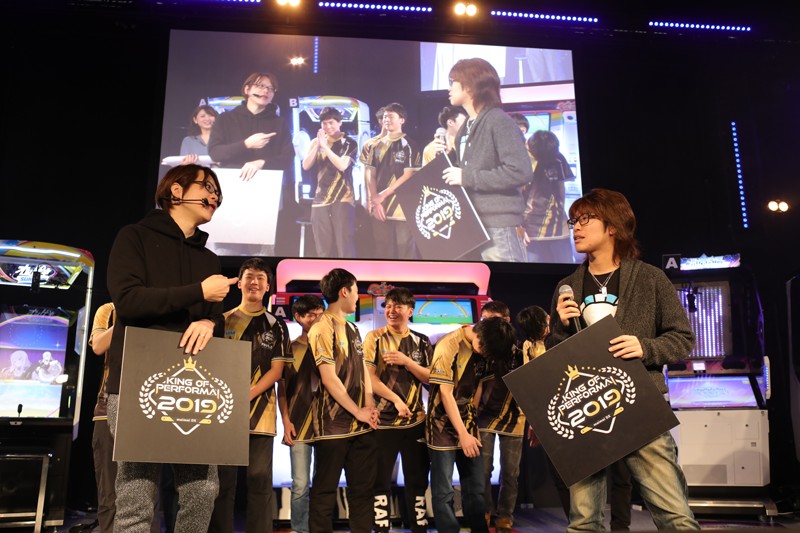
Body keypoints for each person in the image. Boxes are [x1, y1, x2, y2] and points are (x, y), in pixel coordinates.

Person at [546, 187, 700, 532]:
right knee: (583, 521)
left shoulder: (649, 278)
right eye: (573, 221)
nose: (576, 227)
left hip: (639, 404)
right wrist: (559, 328)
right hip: (587, 407)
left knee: (675, 516)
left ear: (613, 226)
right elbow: (557, 357)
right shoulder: (567, 285)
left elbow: (683, 339)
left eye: (586, 219)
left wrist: (645, 347)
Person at [105, 163, 237, 533]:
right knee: (136, 492)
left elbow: (216, 318)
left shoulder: (208, 260)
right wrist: (199, 292)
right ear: (176, 191)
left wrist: (210, 322)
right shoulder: (134, 237)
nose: (214, 196)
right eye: (207, 187)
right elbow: (128, 300)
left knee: (203, 489)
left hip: (193, 386)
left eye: (217, 191)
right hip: (137, 383)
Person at [208, 258, 292, 533]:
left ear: (268, 287)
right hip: (224, 414)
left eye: (260, 278)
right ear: (239, 283)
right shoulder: (221, 320)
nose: (254, 282)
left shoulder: (277, 325)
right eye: (249, 277)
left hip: (262, 415)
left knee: (259, 479)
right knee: (223, 482)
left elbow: (278, 370)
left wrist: (249, 393)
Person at [426, 315, 517, 533]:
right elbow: (445, 394)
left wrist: (471, 421)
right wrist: (463, 434)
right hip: (441, 426)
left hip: (468, 424)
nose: (485, 355)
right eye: (484, 349)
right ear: (479, 336)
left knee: (476, 489)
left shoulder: (487, 350)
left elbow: (478, 387)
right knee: (444, 491)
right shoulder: (449, 345)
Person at [442, 57, 533, 262]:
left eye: (453, 82)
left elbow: (520, 171)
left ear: (470, 85)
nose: (449, 88)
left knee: (504, 282)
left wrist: (467, 177)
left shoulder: (499, 120)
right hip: (473, 225)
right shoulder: (467, 125)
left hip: (499, 226)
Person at [308, 268, 379, 533]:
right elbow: (329, 378)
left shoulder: (353, 328)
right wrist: (357, 411)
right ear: (344, 291)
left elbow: (363, 371)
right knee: (324, 492)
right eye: (357, 291)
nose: (359, 297)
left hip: (362, 425)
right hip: (332, 426)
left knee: (362, 492)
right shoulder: (321, 327)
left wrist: (369, 404)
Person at [362, 287, 433, 533]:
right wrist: (396, 400)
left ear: (410, 311)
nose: (391, 311)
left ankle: (418, 526)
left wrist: (407, 362)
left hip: (416, 421)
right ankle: (381, 527)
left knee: (417, 480)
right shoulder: (374, 338)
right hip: (382, 421)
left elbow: (431, 377)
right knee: (379, 480)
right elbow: (369, 378)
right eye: (388, 306)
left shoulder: (422, 341)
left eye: (398, 306)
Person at [476, 301, 528, 533]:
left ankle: (505, 516)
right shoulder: (480, 350)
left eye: (493, 320)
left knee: (510, 472)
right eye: (484, 320)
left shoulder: (521, 352)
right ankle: (485, 513)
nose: (487, 325)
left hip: (515, 417)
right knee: (483, 469)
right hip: (483, 416)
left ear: (506, 321)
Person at [517, 304, 572, 519]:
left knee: (571, 473)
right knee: (562, 474)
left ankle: (582, 521)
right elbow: (530, 383)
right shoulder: (529, 346)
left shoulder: (558, 337)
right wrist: (536, 422)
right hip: (554, 413)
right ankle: (576, 521)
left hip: (567, 409)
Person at [277, 294, 325, 533]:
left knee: (323, 485)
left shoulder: (331, 347)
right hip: (298, 425)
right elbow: (282, 390)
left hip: (328, 425)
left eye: (320, 315)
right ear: (298, 317)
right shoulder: (290, 349)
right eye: (310, 315)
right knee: (300, 485)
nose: (316, 319)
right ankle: (299, 529)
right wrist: (286, 422)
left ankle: (319, 527)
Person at [361, 103, 421, 259]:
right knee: (382, 247)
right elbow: (370, 173)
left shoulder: (409, 145)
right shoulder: (375, 145)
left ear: (402, 120)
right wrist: (375, 201)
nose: (387, 120)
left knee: (405, 248)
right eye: (385, 117)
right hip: (380, 206)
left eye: (391, 116)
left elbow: (408, 175)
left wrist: (382, 195)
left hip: (403, 207)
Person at [208, 72, 293, 181]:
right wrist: (246, 144)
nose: (266, 90)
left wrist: (262, 163)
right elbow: (215, 153)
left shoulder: (279, 122)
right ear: (247, 89)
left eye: (271, 88)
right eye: (261, 86)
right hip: (231, 180)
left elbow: (288, 158)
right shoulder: (225, 119)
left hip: (268, 182)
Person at [302, 106, 359, 258]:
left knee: (344, 245)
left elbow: (342, 165)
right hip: (320, 199)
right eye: (324, 123)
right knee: (322, 246)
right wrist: (317, 146)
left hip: (343, 198)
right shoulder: (316, 142)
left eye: (331, 123)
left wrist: (325, 147)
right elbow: (306, 166)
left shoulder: (349, 142)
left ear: (340, 122)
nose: (328, 127)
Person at [523, 130, 575, 264]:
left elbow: (561, 187)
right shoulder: (523, 160)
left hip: (557, 229)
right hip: (532, 230)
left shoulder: (558, 158)